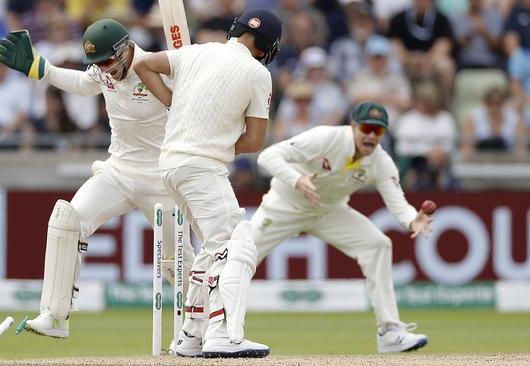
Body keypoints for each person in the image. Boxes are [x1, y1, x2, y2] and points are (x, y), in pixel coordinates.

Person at [0, 18, 195, 338]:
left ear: (125, 49)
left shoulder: (159, 69)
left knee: (178, 259)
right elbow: (82, 83)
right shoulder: (103, 71)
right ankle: (56, 316)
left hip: (161, 178)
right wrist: (39, 68)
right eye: (96, 63)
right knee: (67, 218)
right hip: (118, 170)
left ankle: (203, 326)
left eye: (106, 62)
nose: (102, 69)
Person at [133, 8, 281, 358]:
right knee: (236, 245)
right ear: (266, 46)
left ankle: (190, 334)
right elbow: (255, 140)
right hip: (202, 167)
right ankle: (222, 335)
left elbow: (143, 65)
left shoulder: (196, 50)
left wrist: (173, 103)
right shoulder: (257, 73)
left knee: (213, 251)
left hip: (170, 163)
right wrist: (216, 141)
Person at [250, 102, 432, 353]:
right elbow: (267, 156)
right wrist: (297, 179)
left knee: (378, 245)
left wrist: (413, 219)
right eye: (367, 128)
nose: (371, 136)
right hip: (284, 205)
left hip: (328, 211)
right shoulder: (326, 137)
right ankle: (207, 328)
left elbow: (397, 203)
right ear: (353, 126)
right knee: (242, 256)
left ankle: (389, 332)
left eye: (378, 131)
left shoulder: (381, 162)